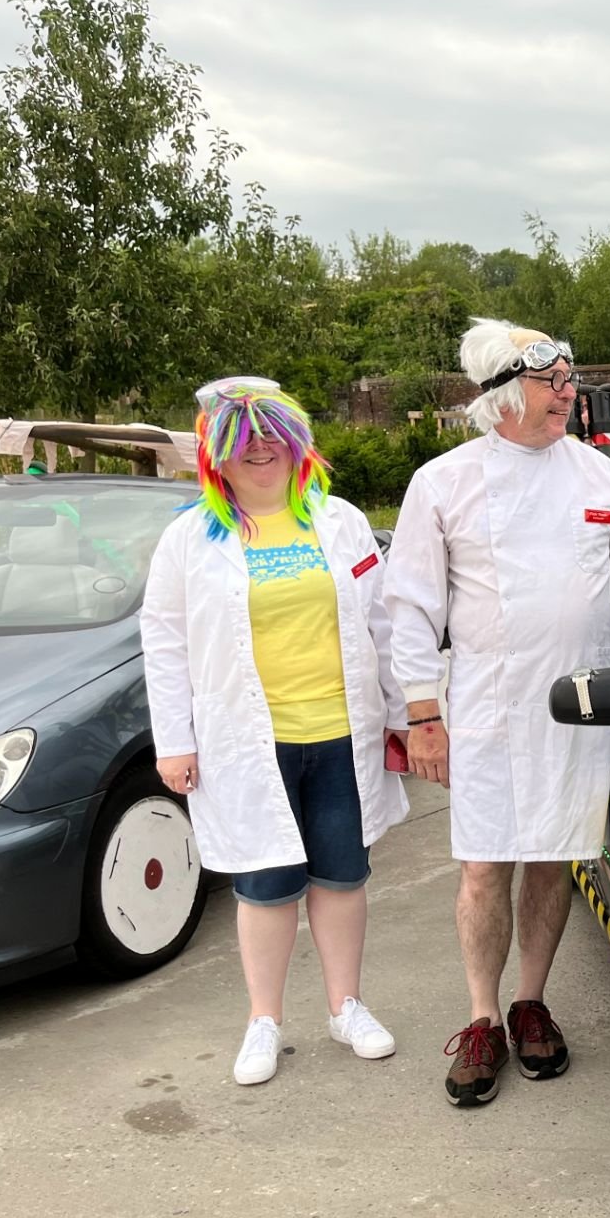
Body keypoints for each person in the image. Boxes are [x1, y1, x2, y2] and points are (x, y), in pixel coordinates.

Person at [386, 320, 610, 1107]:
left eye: (572, 378)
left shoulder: (595, 474)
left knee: (552, 858)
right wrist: (421, 714)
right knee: (486, 865)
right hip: (487, 710)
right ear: (505, 392)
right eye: (555, 381)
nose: (570, 393)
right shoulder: (444, 484)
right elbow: (409, 608)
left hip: (581, 707)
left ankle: (530, 1000)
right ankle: (482, 1018)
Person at [140, 377, 409, 1086]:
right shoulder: (190, 539)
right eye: (242, 441)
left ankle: (346, 1006)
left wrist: (406, 717)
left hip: (338, 731)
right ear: (216, 455)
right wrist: (175, 740)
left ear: (296, 445)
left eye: (273, 437)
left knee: (342, 874)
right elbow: (164, 640)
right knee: (264, 883)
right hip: (246, 742)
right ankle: (264, 1019)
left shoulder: (341, 521)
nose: (260, 450)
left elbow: (381, 623)